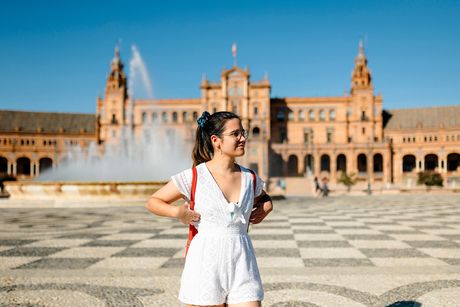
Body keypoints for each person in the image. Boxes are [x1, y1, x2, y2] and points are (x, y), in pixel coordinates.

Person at [146, 111, 273, 307]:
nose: (243, 138)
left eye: (243, 132)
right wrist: (177, 213)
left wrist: (267, 204)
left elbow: (262, 197)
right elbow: (154, 201)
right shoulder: (194, 176)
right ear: (216, 140)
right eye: (236, 134)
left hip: (242, 261)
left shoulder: (251, 177)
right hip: (205, 261)